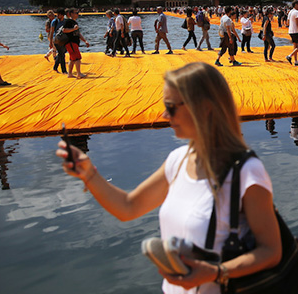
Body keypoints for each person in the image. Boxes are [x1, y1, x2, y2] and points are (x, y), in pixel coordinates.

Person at [56, 62, 282, 294]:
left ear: (204, 107)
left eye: (171, 106)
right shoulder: (178, 160)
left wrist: (217, 272)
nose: (164, 115)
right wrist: (88, 173)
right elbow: (128, 207)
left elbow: (271, 252)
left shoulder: (246, 172)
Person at [62, 8, 91, 78]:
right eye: (76, 13)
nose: (77, 14)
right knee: (77, 58)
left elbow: (78, 33)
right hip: (71, 42)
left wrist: (85, 41)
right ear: (71, 14)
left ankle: (70, 74)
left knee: (72, 59)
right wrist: (73, 29)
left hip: (73, 42)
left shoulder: (74, 22)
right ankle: (79, 73)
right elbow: (64, 30)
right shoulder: (68, 21)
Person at [286, 0, 298, 67]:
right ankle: (289, 56)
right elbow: (297, 23)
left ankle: (296, 61)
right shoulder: (296, 12)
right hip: (295, 31)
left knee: (295, 46)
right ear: (295, 5)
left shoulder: (290, 12)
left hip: (291, 31)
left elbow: (287, 22)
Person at [52, 9, 68, 73]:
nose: (57, 16)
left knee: (62, 53)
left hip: (64, 39)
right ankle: (64, 70)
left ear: (62, 15)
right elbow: (51, 31)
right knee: (62, 55)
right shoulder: (54, 21)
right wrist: (51, 42)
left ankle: (55, 67)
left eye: (58, 14)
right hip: (56, 40)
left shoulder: (65, 22)